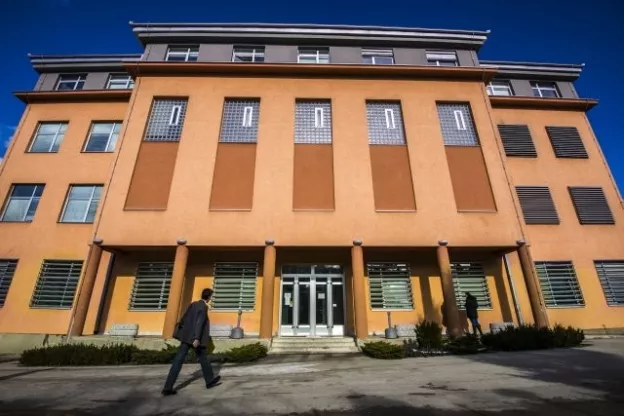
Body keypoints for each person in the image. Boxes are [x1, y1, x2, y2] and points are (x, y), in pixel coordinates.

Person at [162, 288, 221, 396]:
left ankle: (167, 387)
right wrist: (196, 338)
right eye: (211, 296)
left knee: (179, 360)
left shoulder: (193, 304)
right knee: (203, 358)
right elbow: (199, 323)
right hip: (195, 339)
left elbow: (184, 319)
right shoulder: (203, 307)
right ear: (209, 297)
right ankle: (209, 381)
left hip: (186, 337)